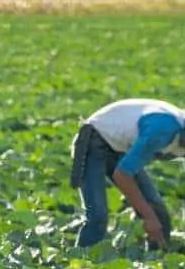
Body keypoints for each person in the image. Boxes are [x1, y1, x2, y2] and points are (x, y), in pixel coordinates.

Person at [71, 98, 184, 249]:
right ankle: (82, 261)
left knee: (158, 212)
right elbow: (122, 176)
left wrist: (151, 215)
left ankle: (158, 259)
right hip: (94, 139)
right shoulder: (162, 130)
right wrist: (148, 217)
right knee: (97, 216)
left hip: (122, 148)